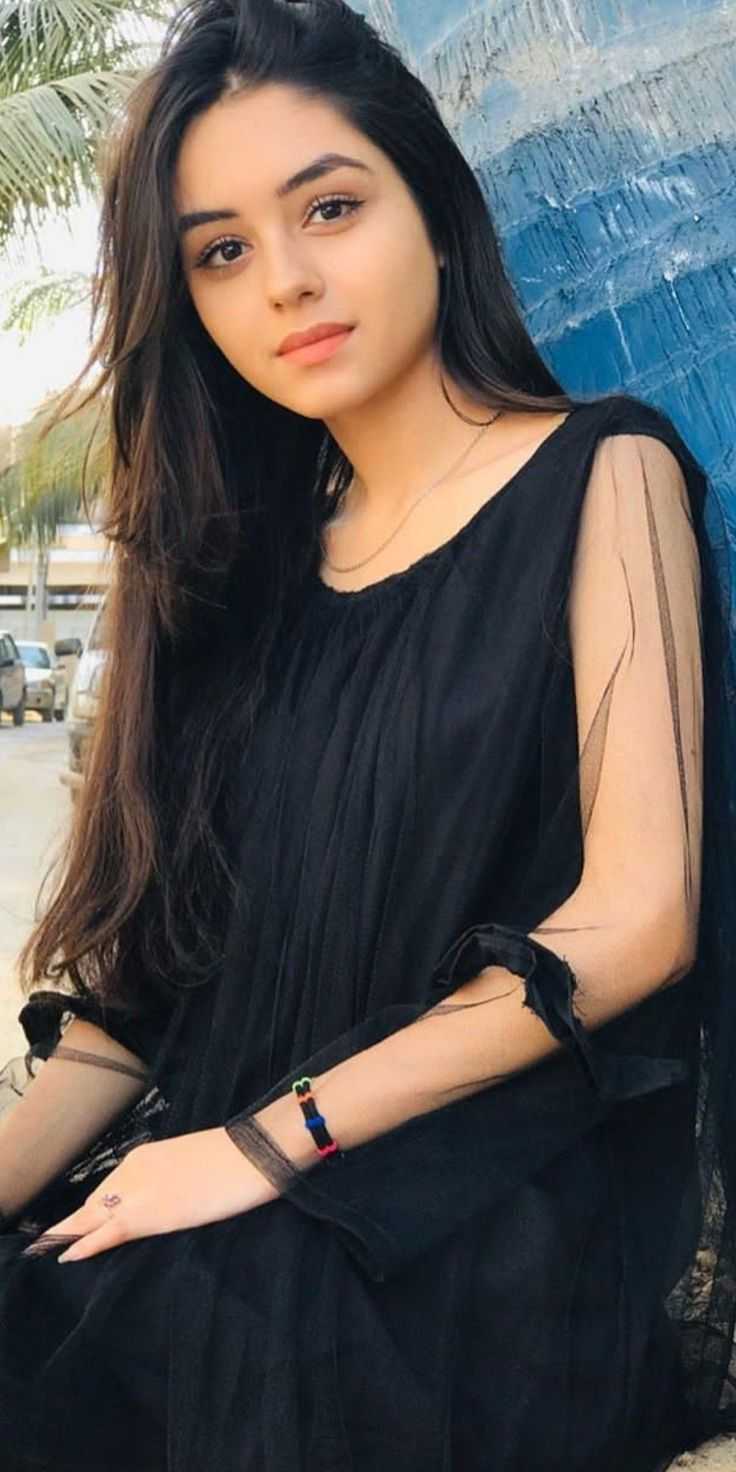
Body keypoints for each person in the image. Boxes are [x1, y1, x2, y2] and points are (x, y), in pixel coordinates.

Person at [0, 2, 735, 1469]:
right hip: (222, 1177)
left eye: (329, 207)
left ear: (438, 215)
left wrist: (266, 1147)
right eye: (220, 251)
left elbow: (639, 922)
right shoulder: (229, 567)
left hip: (475, 1210)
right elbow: (151, 994)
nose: (285, 279)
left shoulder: (604, 470)